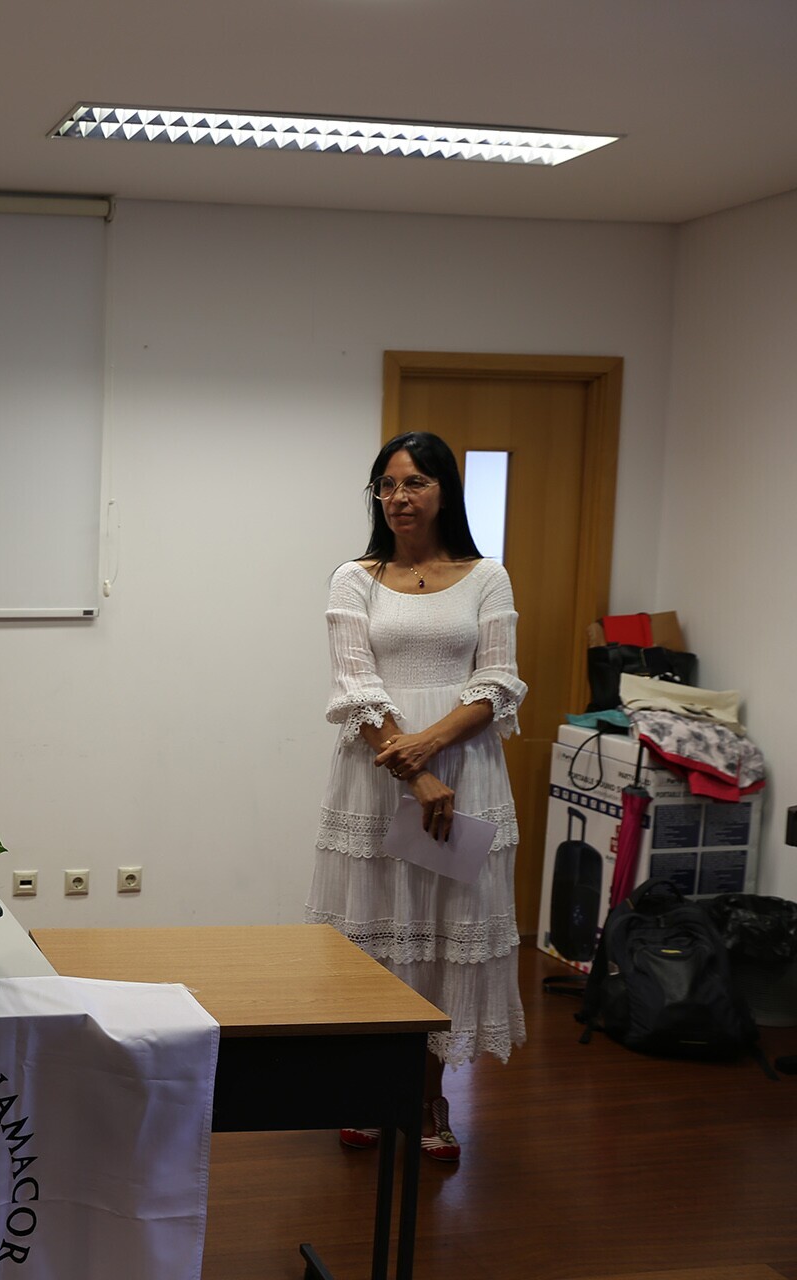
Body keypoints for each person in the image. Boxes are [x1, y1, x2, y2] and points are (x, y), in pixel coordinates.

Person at [307, 432, 527, 1163]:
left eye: (415, 483)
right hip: (378, 774)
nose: (398, 498)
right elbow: (354, 686)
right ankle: (368, 1088)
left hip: (464, 771)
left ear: (444, 491)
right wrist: (414, 769)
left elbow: (498, 683)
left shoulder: (487, 577)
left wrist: (430, 748)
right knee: (376, 934)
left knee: (440, 935)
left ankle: (428, 1097)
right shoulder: (354, 579)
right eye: (387, 485)